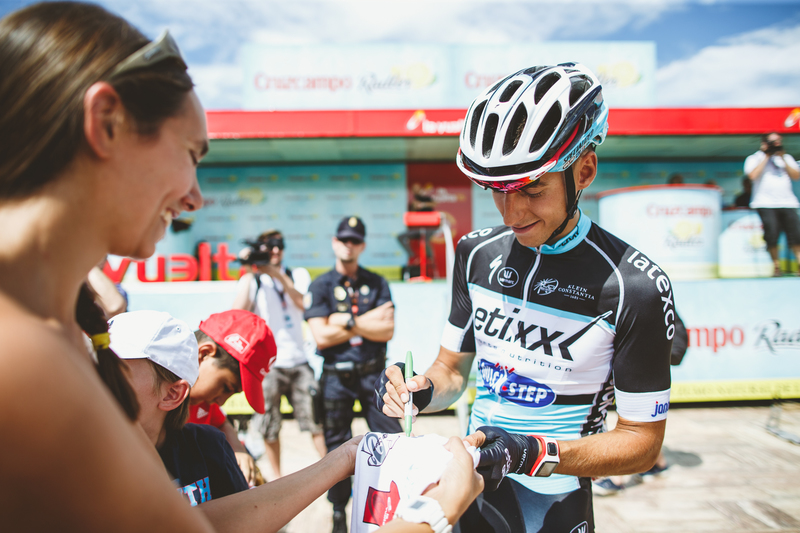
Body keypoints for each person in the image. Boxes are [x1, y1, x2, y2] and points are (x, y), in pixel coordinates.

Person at [0, 3, 481, 531]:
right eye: (190, 153)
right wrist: (435, 512)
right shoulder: (24, 351)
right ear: (106, 122)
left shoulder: (56, 330)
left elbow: (199, 525)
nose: (196, 198)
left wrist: (345, 458)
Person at [376, 63, 674, 533]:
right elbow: (451, 370)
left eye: (532, 189)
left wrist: (530, 452)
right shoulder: (474, 253)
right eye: (496, 191)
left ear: (585, 171)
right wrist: (421, 390)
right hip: (468, 486)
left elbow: (642, 443)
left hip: (555, 502)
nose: (512, 211)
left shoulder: (634, 286)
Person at [304, 216, 402, 533]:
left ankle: (391, 509)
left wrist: (343, 321)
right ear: (334, 242)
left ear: (362, 245)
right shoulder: (320, 285)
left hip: (374, 376)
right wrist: (364, 320)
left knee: (392, 442)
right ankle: (338, 513)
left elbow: (387, 328)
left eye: (355, 240)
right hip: (336, 378)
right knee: (336, 449)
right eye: (344, 239)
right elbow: (320, 336)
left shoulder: (376, 282)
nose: (349, 245)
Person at [109, 310, 249, 504]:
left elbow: (242, 517)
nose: (95, 376)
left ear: (172, 394)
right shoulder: (75, 455)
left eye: (115, 369)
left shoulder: (208, 447)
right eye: (92, 363)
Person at [232, 230, 327, 478]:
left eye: (279, 246)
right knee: (269, 427)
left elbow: (304, 304)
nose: (275, 251)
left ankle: (332, 472)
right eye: (269, 247)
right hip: (269, 365)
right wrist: (249, 272)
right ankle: (278, 477)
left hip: (299, 359)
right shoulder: (253, 280)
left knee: (316, 422)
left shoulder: (297, 274)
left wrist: (277, 275)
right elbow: (237, 314)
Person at [188, 309, 276, 486]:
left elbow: (220, 422)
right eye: (226, 387)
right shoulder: (154, 397)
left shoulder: (202, 400)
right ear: (204, 354)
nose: (221, 401)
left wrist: (238, 449)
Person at [744, 133, 800, 276]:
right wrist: (767, 155)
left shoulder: (786, 158)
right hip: (765, 202)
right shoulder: (754, 158)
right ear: (764, 143)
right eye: (773, 142)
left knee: (796, 235)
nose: (776, 144)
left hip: (788, 202)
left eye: (779, 141)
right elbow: (752, 176)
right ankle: (776, 266)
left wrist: (782, 156)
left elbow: (796, 175)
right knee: (772, 234)